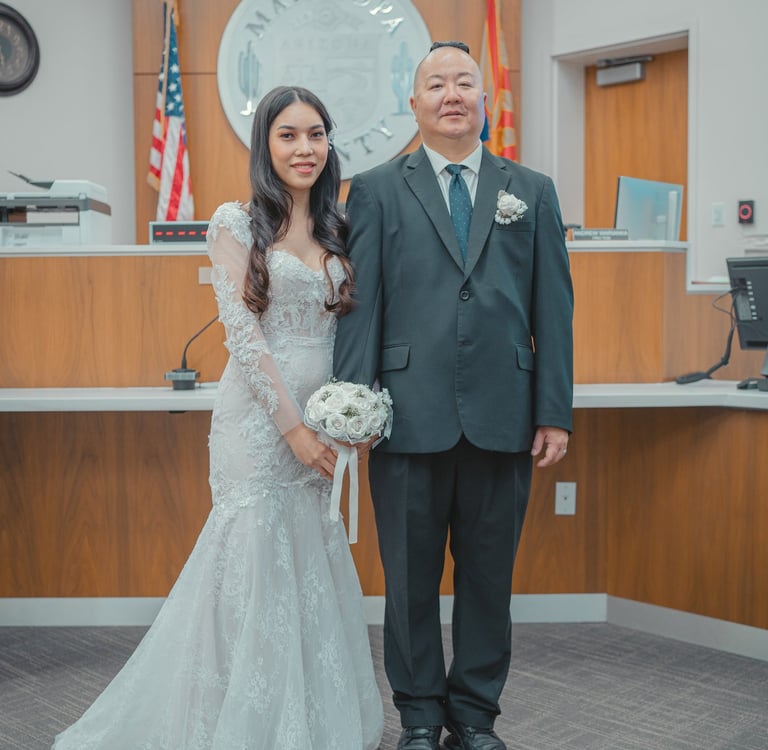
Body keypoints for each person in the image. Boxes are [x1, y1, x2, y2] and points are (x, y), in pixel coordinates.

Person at [52, 85, 384, 750]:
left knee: (311, 556)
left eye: (315, 133)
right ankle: (242, 717)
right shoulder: (234, 222)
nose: (304, 148)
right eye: (288, 134)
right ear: (265, 143)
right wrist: (292, 428)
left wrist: (353, 414)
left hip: (327, 418)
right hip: (259, 422)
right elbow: (243, 334)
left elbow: (361, 326)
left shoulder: (340, 227)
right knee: (255, 555)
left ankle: (313, 716)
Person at [333, 41, 574, 750]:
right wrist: (354, 405)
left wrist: (554, 410)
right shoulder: (376, 188)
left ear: (485, 97)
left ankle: (474, 717)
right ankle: (417, 716)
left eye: (463, 82)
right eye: (435, 83)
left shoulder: (530, 189)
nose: (451, 94)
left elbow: (553, 309)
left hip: (504, 413)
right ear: (414, 103)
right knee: (408, 582)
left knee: (488, 581)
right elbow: (362, 305)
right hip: (405, 418)